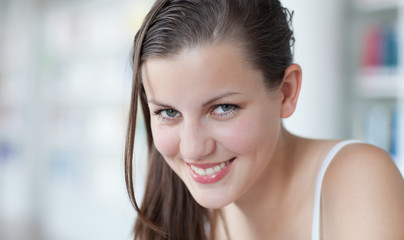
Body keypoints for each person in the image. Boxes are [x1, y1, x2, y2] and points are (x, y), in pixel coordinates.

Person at [124, 0, 404, 239]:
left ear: (286, 92)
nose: (192, 149)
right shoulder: (172, 212)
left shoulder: (357, 178)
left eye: (223, 108)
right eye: (169, 113)